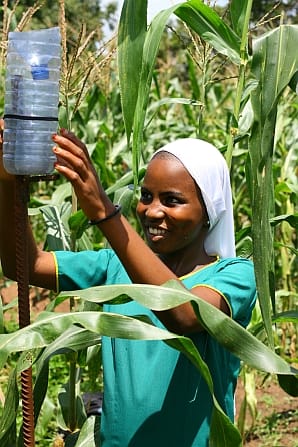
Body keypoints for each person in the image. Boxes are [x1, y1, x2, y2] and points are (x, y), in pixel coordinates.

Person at [0, 122, 257, 446]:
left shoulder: (234, 275)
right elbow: (24, 264)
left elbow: (184, 313)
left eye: (172, 200)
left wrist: (105, 212)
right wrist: (7, 181)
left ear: (209, 209)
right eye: (147, 196)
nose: (151, 211)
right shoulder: (116, 267)